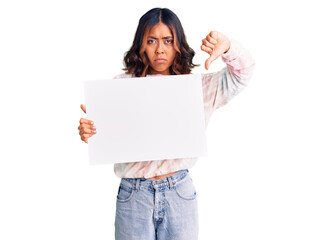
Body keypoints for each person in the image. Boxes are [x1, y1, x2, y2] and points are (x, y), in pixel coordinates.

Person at [78, 7, 255, 240]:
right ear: (140, 44)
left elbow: (242, 74)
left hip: (178, 193)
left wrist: (229, 47)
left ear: (178, 45)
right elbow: (104, 135)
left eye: (168, 41)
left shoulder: (198, 87)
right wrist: (90, 131)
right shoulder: (120, 87)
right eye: (151, 40)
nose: (160, 49)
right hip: (134, 196)